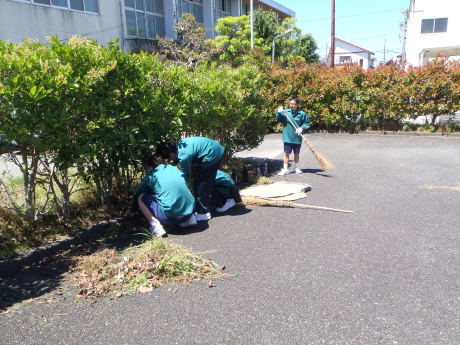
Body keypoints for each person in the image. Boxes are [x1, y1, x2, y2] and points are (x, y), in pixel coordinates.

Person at [156, 137, 225, 221]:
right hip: (217, 150)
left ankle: (203, 213)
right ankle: (223, 200)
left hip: (211, 154)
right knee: (208, 180)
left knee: (199, 183)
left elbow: (186, 175)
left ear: (170, 154)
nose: (170, 160)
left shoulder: (184, 156)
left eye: (169, 158)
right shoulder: (180, 144)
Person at [127, 155, 197, 237]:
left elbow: (137, 193)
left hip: (170, 218)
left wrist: (132, 210)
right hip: (189, 211)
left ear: (150, 167)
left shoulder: (152, 177)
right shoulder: (174, 169)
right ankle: (188, 219)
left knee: (141, 197)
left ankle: (156, 228)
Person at [275, 96, 311, 175]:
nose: (292, 105)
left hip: (297, 138)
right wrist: (279, 112)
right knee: (286, 153)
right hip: (287, 137)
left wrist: (301, 128)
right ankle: (285, 169)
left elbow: (307, 123)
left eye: (293, 104)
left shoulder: (301, 114)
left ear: (297, 105)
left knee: (296, 154)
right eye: (290, 104)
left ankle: (296, 168)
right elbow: (279, 119)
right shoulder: (285, 113)